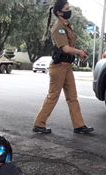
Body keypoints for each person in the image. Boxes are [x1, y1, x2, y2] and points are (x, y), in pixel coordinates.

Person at [33, 0, 94, 134]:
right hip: (59, 67)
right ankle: (39, 124)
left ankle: (79, 125)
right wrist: (79, 52)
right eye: (66, 8)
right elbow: (66, 48)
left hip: (67, 67)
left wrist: (78, 53)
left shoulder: (66, 26)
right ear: (59, 12)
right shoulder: (58, 27)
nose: (69, 10)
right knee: (53, 96)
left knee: (72, 97)